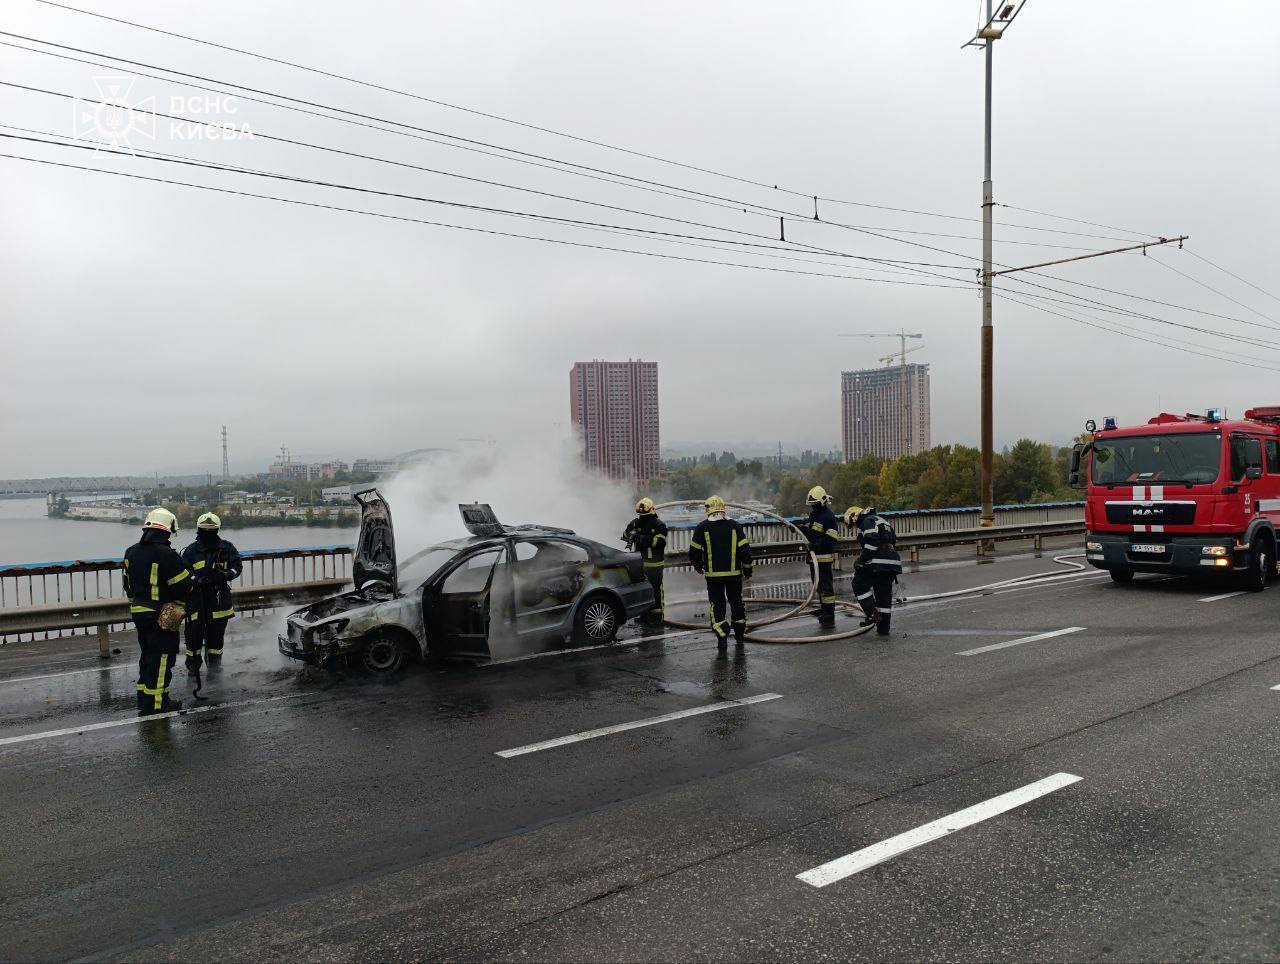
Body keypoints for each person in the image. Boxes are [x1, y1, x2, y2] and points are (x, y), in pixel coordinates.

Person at [122, 507, 191, 715]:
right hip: (161, 614)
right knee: (162, 659)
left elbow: (128, 586)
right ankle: (158, 703)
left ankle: (144, 700)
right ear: (167, 529)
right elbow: (182, 586)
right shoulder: (167, 555)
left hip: (139, 613)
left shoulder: (131, 552)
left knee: (147, 656)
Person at [688, 495, 753, 651]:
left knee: (717, 604)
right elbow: (745, 552)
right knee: (736, 602)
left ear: (708, 510)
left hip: (713, 577)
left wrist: (698, 566)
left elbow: (694, 551)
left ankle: (722, 637)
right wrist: (748, 569)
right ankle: (739, 636)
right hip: (734, 575)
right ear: (723, 509)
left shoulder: (702, 527)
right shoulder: (735, 526)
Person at [181, 512, 243, 670]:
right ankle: (193, 668)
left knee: (216, 638)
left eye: (211, 530)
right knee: (193, 637)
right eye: (205, 530)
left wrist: (225, 575)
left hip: (218, 601)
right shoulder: (191, 551)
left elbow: (237, 567)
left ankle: (215, 668)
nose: (208, 534)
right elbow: (183, 574)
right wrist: (195, 580)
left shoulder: (227, 548)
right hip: (197, 600)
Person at [843, 505, 903, 637]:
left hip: (878, 562)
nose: (855, 527)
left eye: (853, 524)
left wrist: (861, 560)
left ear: (855, 516)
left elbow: (872, 542)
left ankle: (871, 613)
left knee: (858, 583)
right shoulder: (881, 520)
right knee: (884, 597)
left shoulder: (867, 521)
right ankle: (883, 629)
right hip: (892, 562)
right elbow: (893, 540)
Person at [623, 497, 668, 627]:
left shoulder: (659, 525)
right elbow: (625, 536)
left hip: (655, 565)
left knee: (656, 591)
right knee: (642, 591)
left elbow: (659, 542)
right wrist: (631, 532)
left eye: (645, 515)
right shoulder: (636, 523)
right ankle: (644, 615)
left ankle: (657, 617)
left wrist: (642, 538)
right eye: (641, 515)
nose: (643, 518)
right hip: (639, 564)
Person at [802, 485, 841, 628]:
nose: (813, 507)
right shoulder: (815, 515)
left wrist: (817, 546)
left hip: (823, 558)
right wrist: (801, 530)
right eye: (812, 504)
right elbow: (813, 534)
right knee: (817, 585)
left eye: (815, 504)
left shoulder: (828, 516)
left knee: (826, 586)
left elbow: (832, 537)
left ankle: (829, 613)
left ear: (822, 502)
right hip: (814, 558)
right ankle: (824, 608)